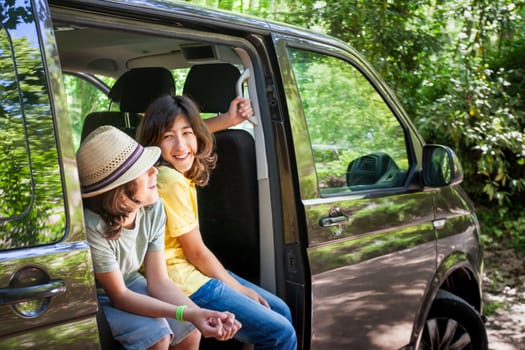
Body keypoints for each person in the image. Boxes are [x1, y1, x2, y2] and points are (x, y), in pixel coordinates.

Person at [136, 95, 298, 350]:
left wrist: (228, 120)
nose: (180, 145)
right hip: (181, 280)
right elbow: (196, 252)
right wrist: (239, 289)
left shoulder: (160, 168)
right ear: (155, 141)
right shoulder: (170, 181)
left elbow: (186, 136)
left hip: (190, 271)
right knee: (280, 333)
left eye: (187, 133)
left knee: (280, 310)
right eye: (168, 136)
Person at [76, 125, 241, 350]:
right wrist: (186, 313)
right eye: (143, 170)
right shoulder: (93, 225)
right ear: (119, 191)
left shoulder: (153, 208)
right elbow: (120, 296)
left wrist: (197, 314)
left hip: (131, 280)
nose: (155, 170)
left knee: (189, 330)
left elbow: (159, 281)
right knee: (157, 336)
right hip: (100, 294)